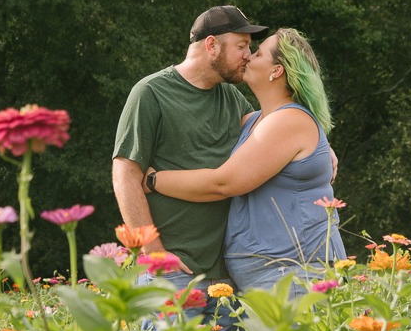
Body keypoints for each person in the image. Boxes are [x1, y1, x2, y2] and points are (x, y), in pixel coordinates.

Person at [147, 27, 346, 294]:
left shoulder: (289, 120)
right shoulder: (255, 121)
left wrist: (152, 179)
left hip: (295, 270)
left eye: (259, 53)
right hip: (271, 273)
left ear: (277, 71)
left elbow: (224, 183)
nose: (249, 57)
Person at [112, 5, 265, 322]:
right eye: (241, 46)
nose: (248, 56)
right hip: (172, 273)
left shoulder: (231, 98)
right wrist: (155, 254)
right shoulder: (151, 93)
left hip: (226, 278)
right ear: (212, 46)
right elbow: (125, 176)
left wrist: (318, 140)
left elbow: (272, 134)